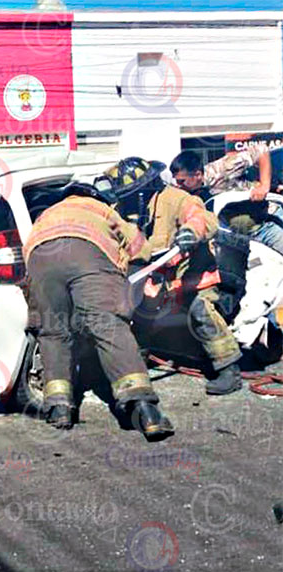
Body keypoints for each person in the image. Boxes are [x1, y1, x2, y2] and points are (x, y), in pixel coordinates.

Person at [24, 180, 174, 441]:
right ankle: (145, 410)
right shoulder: (100, 209)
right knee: (107, 325)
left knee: (53, 332)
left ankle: (59, 408)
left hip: (40, 257)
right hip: (87, 254)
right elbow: (140, 248)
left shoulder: (47, 213)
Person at [102, 157, 243, 395]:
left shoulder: (177, 199)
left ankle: (229, 368)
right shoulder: (121, 211)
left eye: (131, 194)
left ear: (147, 187)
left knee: (201, 311)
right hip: (154, 279)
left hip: (192, 275)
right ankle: (137, 363)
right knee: (137, 313)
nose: (125, 201)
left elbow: (203, 218)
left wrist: (191, 231)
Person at [170, 148, 282, 255]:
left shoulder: (221, 169)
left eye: (181, 181)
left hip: (266, 225)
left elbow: (261, 151)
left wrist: (264, 186)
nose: (178, 186)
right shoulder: (185, 195)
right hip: (237, 241)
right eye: (176, 182)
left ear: (198, 175)